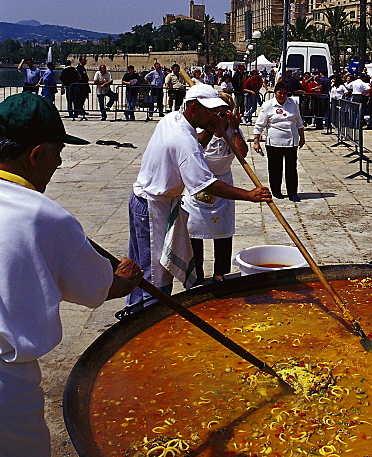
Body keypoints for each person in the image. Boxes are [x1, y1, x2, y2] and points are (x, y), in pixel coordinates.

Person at [0, 93, 142, 457]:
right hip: (3, 389)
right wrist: (123, 277)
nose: (61, 163)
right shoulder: (43, 215)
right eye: (58, 152)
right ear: (36, 153)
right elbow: (98, 287)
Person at [124, 85, 271, 314]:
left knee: (141, 267)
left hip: (144, 199)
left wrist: (213, 129)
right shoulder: (184, 141)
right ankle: (146, 320)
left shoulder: (173, 119)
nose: (214, 117)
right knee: (155, 272)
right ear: (193, 108)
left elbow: (199, 144)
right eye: (210, 112)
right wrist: (249, 195)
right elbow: (205, 184)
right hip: (153, 207)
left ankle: (135, 311)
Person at [183, 98, 247, 286]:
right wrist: (212, 129)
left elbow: (241, 153)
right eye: (217, 112)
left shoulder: (232, 131)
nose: (220, 116)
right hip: (200, 183)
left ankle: (220, 273)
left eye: (224, 112)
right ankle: (197, 274)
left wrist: (233, 128)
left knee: (223, 230)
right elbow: (196, 147)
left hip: (223, 183)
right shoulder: (203, 130)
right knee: (194, 230)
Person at [252, 84, 305, 201]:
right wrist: (256, 141)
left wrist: (302, 137)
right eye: (280, 93)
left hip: (291, 142)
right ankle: (276, 191)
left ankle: (293, 193)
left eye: (285, 93)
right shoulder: (268, 105)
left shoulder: (293, 103)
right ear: (275, 93)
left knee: (291, 168)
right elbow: (259, 125)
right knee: (275, 168)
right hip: (274, 142)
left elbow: (299, 122)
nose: (282, 96)